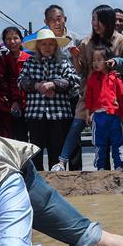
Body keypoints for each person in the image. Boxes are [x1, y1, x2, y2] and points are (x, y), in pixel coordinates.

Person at [52, 6, 123, 171]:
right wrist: (75, 57)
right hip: (90, 92)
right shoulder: (86, 42)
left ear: (107, 21)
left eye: (98, 19)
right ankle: (62, 161)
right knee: (77, 125)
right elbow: (80, 70)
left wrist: (117, 67)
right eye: (93, 19)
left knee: (118, 134)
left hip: (114, 95)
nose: (95, 23)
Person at [19, 28, 79, 170]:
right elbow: (21, 82)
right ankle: (37, 182)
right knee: (36, 151)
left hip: (58, 114)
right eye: (43, 44)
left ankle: (57, 180)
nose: (47, 47)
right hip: (35, 113)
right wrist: (37, 85)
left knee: (56, 149)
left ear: (56, 46)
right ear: (38, 46)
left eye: (51, 44)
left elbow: (73, 80)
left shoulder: (63, 62)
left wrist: (53, 84)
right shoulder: (30, 63)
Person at [85, 46, 123, 170]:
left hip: (114, 115)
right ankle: (100, 166)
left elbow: (121, 96)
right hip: (99, 115)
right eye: (93, 60)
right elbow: (89, 96)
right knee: (99, 143)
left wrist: (122, 113)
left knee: (117, 142)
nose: (95, 63)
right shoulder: (92, 78)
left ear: (107, 61)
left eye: (98, 60)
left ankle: (118, 165)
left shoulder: (115, 77)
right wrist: (88, 113)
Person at [2, 26, 30, 143]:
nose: (12, 42)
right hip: (7, 105)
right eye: (8, 39)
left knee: (25, 138)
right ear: (3, 41)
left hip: (28, 104)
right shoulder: (1, 59)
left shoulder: (29, 59)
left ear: (21, 40)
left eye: (15, 38)